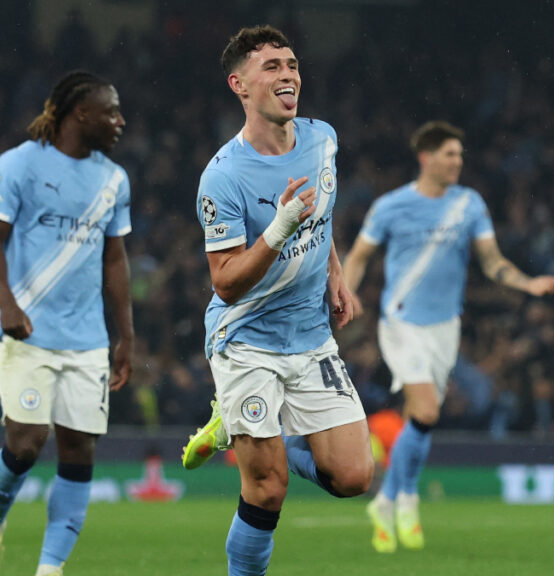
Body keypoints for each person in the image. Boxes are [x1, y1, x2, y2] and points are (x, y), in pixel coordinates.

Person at [180, 26, 373, 575]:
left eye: (292, 65)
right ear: (239, 85)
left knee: (354, 478)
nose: (288, 74)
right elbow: (226, 282)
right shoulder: (223, 177)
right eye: (272, 67)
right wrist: (280, 226)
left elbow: (325, 209)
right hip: (245, 339)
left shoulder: (323, 138)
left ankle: (242, 432)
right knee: (267, 489)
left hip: (310, 337)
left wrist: (333, 271)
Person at [342, 120, 554, 553]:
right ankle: (404, 497)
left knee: (422, 419)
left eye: (460, 155)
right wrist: (347, 291)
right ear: (426, 158)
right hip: (402, 321)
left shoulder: (470, 204)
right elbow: (361, 255)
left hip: (446, 326)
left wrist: (526, 283)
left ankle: (389, 500)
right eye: (450, 154)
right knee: (424, 410)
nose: (458, 161)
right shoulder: (392, 206)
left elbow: (492, 261)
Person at [0, 71, 133, 576]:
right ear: (80, 113)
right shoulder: (19, 164)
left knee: (78, 450)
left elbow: (115, 259)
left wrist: (125, 334)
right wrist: (6, 305)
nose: (119, 121)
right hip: (29, 332)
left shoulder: (114, 179)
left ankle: (50, 569)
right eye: (110, 111)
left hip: (87, 340)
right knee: (25, 442)